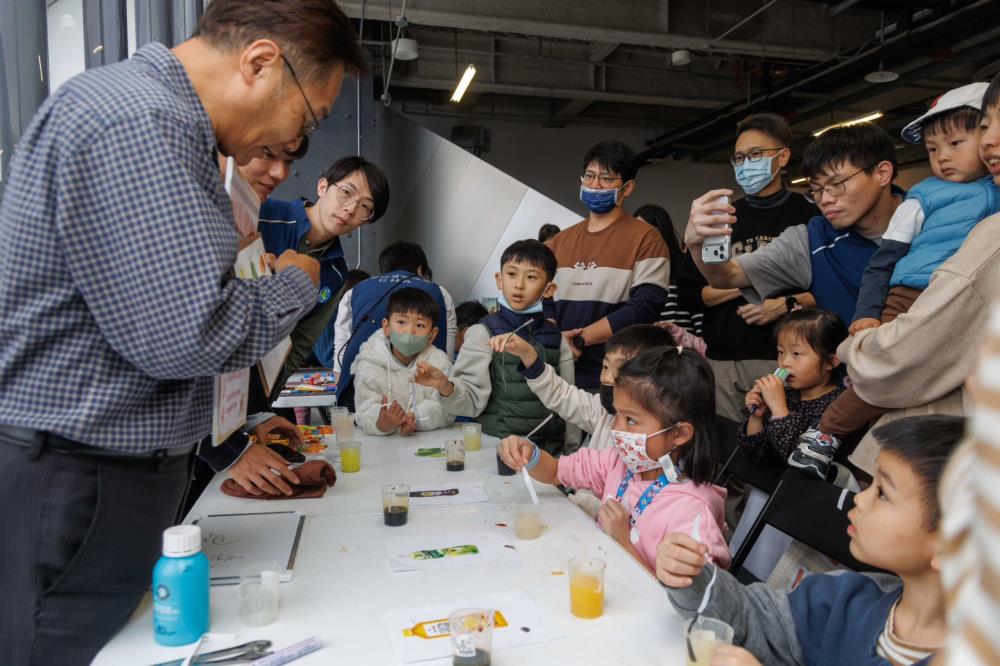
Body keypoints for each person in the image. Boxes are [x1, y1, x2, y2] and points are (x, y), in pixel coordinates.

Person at [0, 1, 365, 662]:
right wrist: (294, 283)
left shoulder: (157, 123)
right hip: (79, 479)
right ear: (259, 63)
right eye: (307, 118)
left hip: (96, 474)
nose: (291, 145)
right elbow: (190, 333)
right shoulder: (144, 122)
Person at [797, 83, 998, 478]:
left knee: (903, 375)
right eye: (932, 149)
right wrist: (867, 315)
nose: (942, 156)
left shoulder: (992, 196)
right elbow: (883, 262)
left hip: (954, 309)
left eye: (956, 143)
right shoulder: (924, 196)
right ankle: (825, 433)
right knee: (884, 372)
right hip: (909, 293)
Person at [657, 415, 962, 666]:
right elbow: (752, 621)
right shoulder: (845, 598)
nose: (859, 499)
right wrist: (693, 576)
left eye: (883, 493)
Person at [498, 347, 728, 573]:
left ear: (679, 433)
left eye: (631, 420)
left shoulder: (693, 513)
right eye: (617, 414)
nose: (616, 427)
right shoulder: (619, 464)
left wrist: (623, 542)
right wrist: (529, 454)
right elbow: (556, 471)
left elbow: (691, 595)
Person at [684, 123, 900, 330]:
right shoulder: (810, 241)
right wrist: (696, 244)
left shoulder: (920, 220)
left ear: (882, 174)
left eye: (836, 184)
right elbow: (726, 276)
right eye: (817, 189)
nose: (825, 199)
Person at [679, 114, 818, 421]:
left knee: (785, 436)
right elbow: (689, 294)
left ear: (782, 157)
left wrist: (785, 304)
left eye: (755, 154)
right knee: (727, 441)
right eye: (739, 158)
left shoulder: (809, 217)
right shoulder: (721, 219)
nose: (746, 164)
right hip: (724, 360)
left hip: (790, 359)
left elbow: (828, 290)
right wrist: (753, 282)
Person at [493, 324, 674, 517]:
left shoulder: (674, 491)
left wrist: (593, 509)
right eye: (605, 366)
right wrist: (530, 454)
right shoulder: (605, 429)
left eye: (621, 369)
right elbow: (557, 469)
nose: (607, 378)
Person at [415, 240, 577, 456]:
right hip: (500, 451)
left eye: (531, 277)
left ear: (549, 289)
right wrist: (446, 386)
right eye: (512, 274)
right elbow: (470, 403)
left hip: (550, 455)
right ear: (499, 280)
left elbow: (570, 404)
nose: (519, 284)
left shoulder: (557, 338)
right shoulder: (483, 332)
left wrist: (572, 452)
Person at [259, 155, 390, 394]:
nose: (351, 209)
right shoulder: (265, 214)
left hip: (254, 386)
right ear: (323, 186)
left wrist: (266, 396)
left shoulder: (337, 273)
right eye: (346, 193)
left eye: (365, 207)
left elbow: (301, 342)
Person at [547, 140, 671, 390]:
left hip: (616, 376)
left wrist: (580, 340)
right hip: (559, 373)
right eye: (589, 176)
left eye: (605, 178)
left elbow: (645, 306)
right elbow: (544, 301)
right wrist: (554, 339)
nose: (594, 185)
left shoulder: (647, 238)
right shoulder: (559, 242)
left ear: (628, 187)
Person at [324, 241, 454, 410]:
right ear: (420, 269)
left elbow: (341, 342)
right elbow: (448, 352)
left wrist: (341, 385)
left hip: (360, 382)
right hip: (422, 388)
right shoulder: (441, 293)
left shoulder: (354, 291)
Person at [738, 309, 848, 468]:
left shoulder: (840, 406)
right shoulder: (786, 395)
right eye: (781, 352)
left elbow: (804, 460)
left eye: (796, 353)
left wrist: (779, 410)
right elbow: (755, 454)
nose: (784, 362)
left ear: (831, 361)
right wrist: (757, 417)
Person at [354, 288, 454, 436]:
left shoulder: (439, 363)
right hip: (381, 445)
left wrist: (416, 417)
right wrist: (381, 423)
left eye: (420, 325)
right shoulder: (369, 361)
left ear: (432, 335)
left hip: (426, 442)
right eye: (401, 322)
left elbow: (447, 409)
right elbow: (364, 409)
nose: (409, 331)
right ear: (387, 327)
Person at [634, 204, 700, 336]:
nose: (638, 236)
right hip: (648, 343)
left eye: (643, 230)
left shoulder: (684, 262)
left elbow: (698, 308)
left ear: (660, 230)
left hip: (684, 343)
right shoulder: (635, 267)